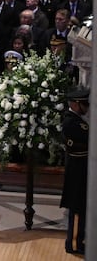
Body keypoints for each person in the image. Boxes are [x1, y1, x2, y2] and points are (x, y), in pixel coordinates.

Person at [62, 86, 89, 255]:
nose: (86, 107)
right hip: (76, 169)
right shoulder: (72, 122)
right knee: (76, 207)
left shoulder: (77, 120)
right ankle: (73, 243)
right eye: (84, 104)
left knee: (80, 206)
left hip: (80, 167)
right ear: (75, 104)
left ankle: (78, 240)